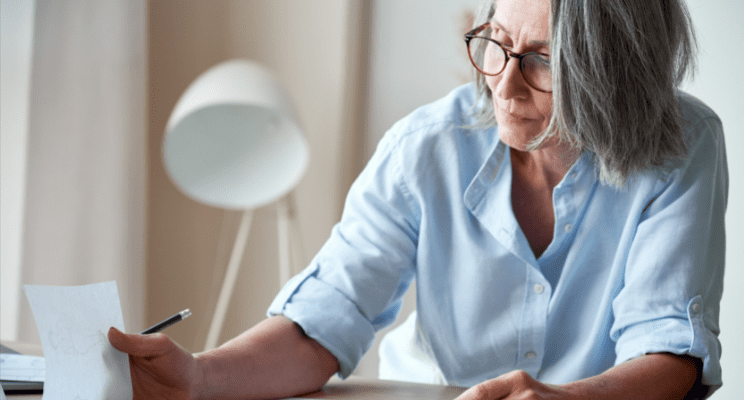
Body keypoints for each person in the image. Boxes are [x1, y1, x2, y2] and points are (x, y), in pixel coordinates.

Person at [108, 0, 727, 398]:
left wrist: (564, 399)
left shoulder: (683, 147)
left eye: (543, 60)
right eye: (496, 43)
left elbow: (668, 352)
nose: (504, 85)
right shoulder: (424, 146)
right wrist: (197, 376)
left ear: (613, 72)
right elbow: (326, 318)